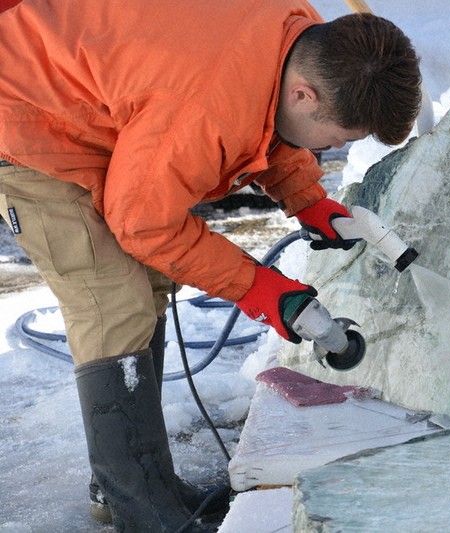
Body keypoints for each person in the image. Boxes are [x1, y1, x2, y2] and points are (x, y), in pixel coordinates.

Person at [0, 0, 421, 530]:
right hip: (26, 118)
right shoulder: (202, 107)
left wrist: (305, 197)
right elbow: (144, 224)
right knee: (112, 300)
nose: (335, 148)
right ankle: (141, 513)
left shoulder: (307, 37)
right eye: (339, 138)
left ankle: (136, 484)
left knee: (149, 285)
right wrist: (263, 290)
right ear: (305, 94)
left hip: (101, 97)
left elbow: (268, 117)